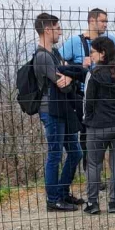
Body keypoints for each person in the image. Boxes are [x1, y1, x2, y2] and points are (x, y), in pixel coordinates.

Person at [59, 9, 115, 172]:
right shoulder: (74, 42)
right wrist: (77, 69)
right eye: (102, 21)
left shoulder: (111, 40)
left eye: (106, 21)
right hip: (84, 95)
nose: (106, 24)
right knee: (87, 137)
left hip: (108, 95)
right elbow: (60, 61)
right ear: (91, 21)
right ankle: (91, 174)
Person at [33, 12, 85, 212]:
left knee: (75, 152)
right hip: (50, 111)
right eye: (57, 28)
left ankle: (62, 193)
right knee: (55, 155)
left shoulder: (54, 53)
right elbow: (63, 84)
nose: (60, 32)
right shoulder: (43, 57)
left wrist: (69, 76)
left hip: (63, 109)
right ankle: (53, 200)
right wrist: (69, 77)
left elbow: (69, 75)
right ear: (47, 30)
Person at [81, 36, 115, 215]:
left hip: (98, 126)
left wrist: (88, 120)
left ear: (102, 53)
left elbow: (88, 101)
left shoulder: (94, 74)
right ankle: (114, 202)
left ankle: (92, 203)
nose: (91, 55)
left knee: (93, 164)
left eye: (93, 52)